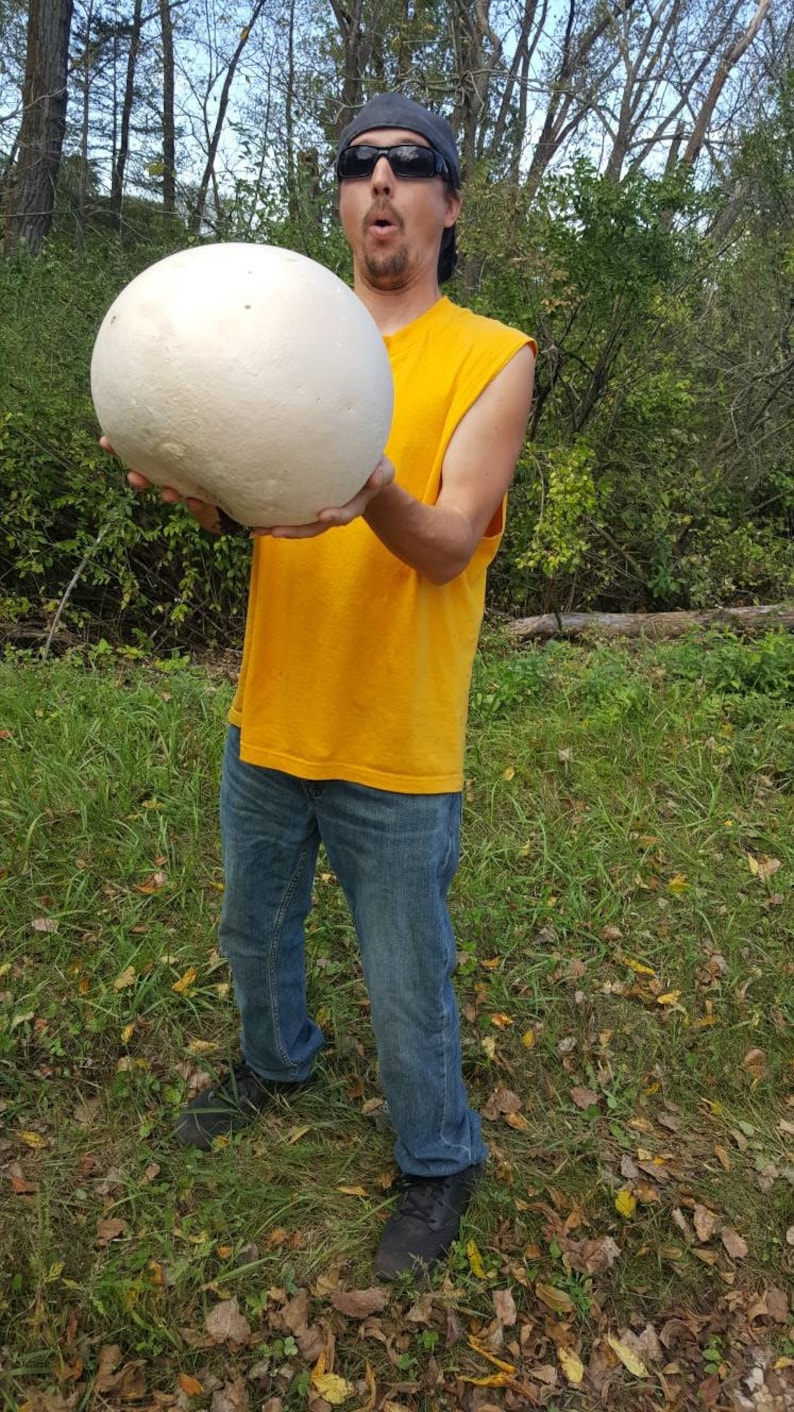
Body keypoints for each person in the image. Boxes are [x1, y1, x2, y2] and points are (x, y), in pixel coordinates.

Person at [111, 92, 536, 1280]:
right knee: (252, 928)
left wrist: (372, 484)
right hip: (272, 712)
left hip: (394, 734)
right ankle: (274, 1057)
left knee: (406, 976)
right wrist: (200, 485)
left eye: (411, 165)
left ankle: (438, 1154)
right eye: (359, 165)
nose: (382, 183)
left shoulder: (491, 357)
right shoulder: (273, 339)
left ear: (449, 204)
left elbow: (449, 541)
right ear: (342, 199)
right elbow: (263, 504)